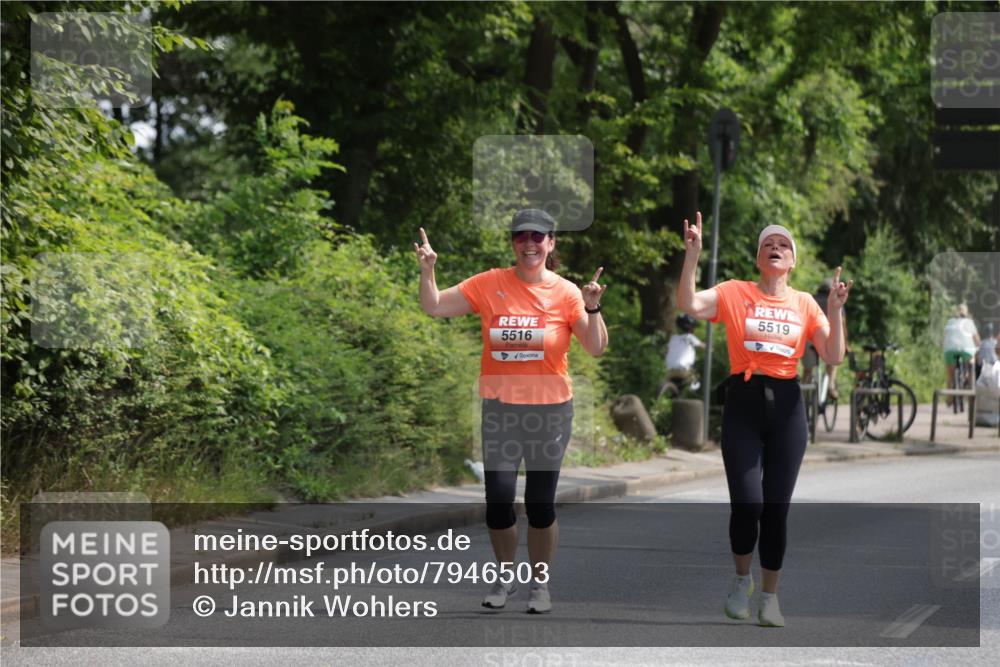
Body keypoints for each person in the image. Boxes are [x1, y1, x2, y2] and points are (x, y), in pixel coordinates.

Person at [415, 208, 608, 614]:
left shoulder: (568, 293)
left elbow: (594, 347)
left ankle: (540, 585)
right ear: (513, 243)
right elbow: (433, 306)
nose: (530, 244)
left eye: (538, 237)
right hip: (501, 409)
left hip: (551, 410)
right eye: (522, 237)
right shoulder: (489, 283)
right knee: (499, 499)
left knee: (540, 503)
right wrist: (428, 271)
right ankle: (505, 577)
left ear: (551, 244)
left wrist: (592, 308)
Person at [677, 213, 852, 627]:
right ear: (759, 257)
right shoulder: (735, 292)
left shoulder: (806, 303)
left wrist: (835, 310)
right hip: (743, 401)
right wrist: (692, 257)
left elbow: (833, 355)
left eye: (784, 245)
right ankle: (742, 581)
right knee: (748, 503)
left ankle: (770, 597)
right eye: (768, 244)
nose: (776, 247)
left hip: (788, 407)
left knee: (775, 509)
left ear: (792, 261)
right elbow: (689, 304)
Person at [800, 278, 846, 400]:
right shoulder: (834, 300)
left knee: (808, 370)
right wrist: (845, 344)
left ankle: (801, 398)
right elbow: (842, 325)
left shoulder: (812, 299)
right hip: (827, 338)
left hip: (808, 338)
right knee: (832, 362)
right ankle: (830, 384)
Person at [659, 313, 705, 398]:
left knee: (670, 388)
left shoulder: (673, 338)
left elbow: (667, 351)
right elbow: (705, 347)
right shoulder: (690, 337)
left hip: (669, 370)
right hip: (684, 371)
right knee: (695, 385)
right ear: (691, 328)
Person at [943, 303, 980, 402]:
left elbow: (945, 336)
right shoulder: (970, 322)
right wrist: (978, 347)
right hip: (967, 351)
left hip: (950, 350)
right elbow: (977, 340)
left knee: (950, 375)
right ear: (966, 313)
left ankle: (949, 399)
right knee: (972, 363)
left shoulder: (950, 321)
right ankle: (969, 379)